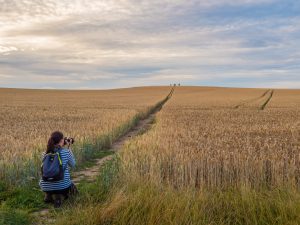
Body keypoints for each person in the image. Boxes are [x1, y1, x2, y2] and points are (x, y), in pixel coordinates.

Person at [39, 131, 78, 208]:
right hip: (62, 186)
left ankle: (48, 195)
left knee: (51, 182)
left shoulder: (45, 153)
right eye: (63, 139)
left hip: (44, 186)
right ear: (61, 140)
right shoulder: (66, 152)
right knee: (73, 189)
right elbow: (73, 164)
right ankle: (58, 198)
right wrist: (69, 147)